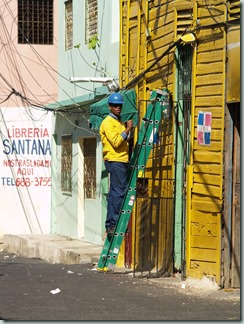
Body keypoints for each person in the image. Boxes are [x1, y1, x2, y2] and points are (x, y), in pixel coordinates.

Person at [99, 92, 133, 234]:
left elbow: (123, 140)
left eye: (119, 105)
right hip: (115, 160)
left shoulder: (117, 122)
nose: (118, 107)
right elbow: (116, 141)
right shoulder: (108, 122)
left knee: (115, 193)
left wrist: (126, 131)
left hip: (121, 159)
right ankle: (113, 224)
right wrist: (128, 129)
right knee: (118, 193)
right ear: (109, 107)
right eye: (115, 105)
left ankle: (112, 224)